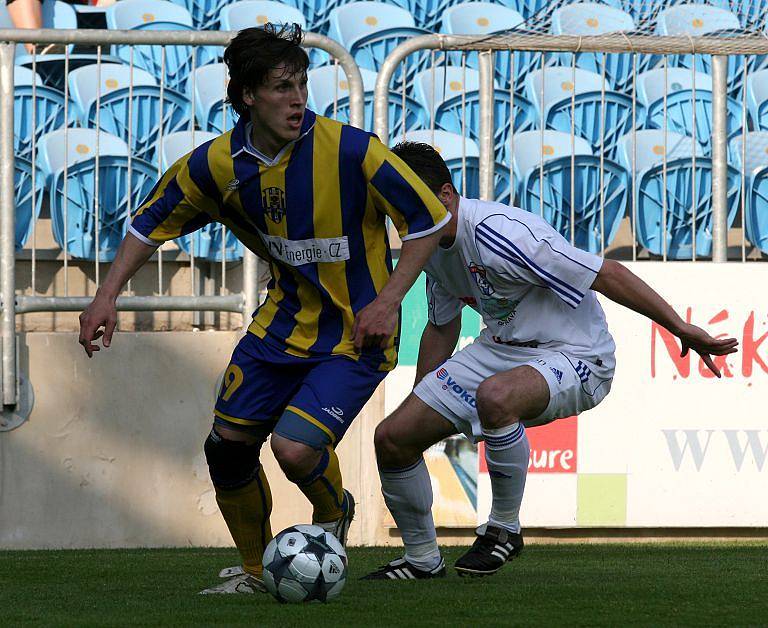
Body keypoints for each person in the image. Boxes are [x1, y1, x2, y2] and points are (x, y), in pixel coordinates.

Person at [77, 26, 449, 593]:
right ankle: (254, 571)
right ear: (248, 95)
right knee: (226, 449)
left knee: (294, 448)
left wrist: (389, 301)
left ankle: (332, 517)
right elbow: (147, 224)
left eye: (302, 84)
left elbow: (429, 222)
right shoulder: (216, 166)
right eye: (282, 87)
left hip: (357, 335)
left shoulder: (353, 151)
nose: (298, 98)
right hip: (279, 328)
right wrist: (106, 296)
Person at [364, 142, 739, 580]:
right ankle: (421, 560)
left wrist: (680, 327)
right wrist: (425, 403)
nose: (406, 224)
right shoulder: (429, 249)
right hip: (501, 348)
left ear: (446, 195)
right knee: (392, 437)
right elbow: (443, 327)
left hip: (577, 352)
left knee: (496, 395)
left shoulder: (501, 233)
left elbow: (606, 273)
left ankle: (504, 529)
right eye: (398, 214)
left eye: (412, 209)